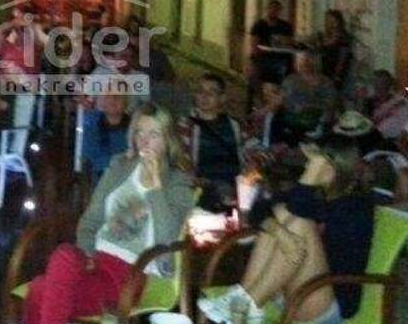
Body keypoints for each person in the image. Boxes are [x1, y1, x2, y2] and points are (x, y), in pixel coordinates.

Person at [23, 103, 195, 324]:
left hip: (132, 274)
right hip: (96, 261)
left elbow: (168, 239)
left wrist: (155, 189)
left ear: (168, 140)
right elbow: (91, 219)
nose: (144, 140)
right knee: (63, 257)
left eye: (153, 134)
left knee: (39, 288)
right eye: (139, 132)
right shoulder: (120, 167)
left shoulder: (178, 183)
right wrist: (88, 254)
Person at [198, 136, 374, 324]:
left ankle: (247, 305)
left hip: (328, 298)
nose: (307, 166)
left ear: (331, 169)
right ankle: (244, 299)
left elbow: (298, 213)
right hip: (289, 290)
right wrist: (279, 232)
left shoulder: (356, 206)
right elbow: (259, 210)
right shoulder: (313, 195)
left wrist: (307, 181)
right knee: (278, 219)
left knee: (296, 221)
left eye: (313, 163)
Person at [179, 73, 245, 211]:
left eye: (211, 92)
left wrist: (252, 168)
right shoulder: (187, 125)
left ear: (222, 98)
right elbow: (181, 156)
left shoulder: (235, 125)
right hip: (203, 187)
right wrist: (193, 178)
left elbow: (251, 149)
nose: (204, 96)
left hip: (236, 185)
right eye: (200, 91)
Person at [281, 53, 337, 138]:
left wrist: (311, 106)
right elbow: (284, 99)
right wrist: (294, 106)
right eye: (301, 60)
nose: (306, 62)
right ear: (296, 62)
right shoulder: (290, 80)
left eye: (309, 59)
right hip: (292, 119)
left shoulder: (325, 82)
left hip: (316, 120)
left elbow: (330, 102)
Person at [81, 95, 132, 183]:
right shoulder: (90, 122)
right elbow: (85, 156)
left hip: (125, 178)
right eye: (108, 96)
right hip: (96, 177)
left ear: (126, 103)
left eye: (117, 97)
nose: (113, 100)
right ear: (102, 101)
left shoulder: (133, 127)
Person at [249, 0, 295, 85]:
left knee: (283, 78)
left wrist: (284, 42)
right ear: (266, 9)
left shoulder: (285, 26)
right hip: (263, 59)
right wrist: (254, 62)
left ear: (280, 11)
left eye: (277, 9)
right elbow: (254, 45)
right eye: (271, 8)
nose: (274, 11)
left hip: (282, 59)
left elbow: (290, 42)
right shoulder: (259, 25)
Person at [316, 10, 352, 91]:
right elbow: (318, 51)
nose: (330, 24)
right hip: (323, 71)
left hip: (336, 74)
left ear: (339, 22)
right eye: (328, 21)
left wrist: (337, 77)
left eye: (333, 21)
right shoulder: (323, 36)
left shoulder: (343, 38)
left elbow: (343, 59)